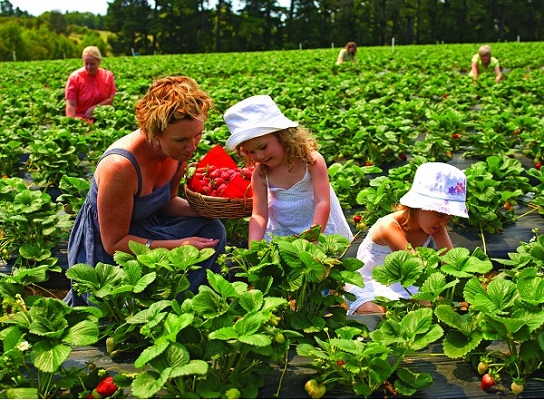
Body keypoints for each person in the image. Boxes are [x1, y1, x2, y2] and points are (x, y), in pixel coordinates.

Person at [64, 76, 227, 306]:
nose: (192, 146)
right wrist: (178, 247)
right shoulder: (121, 167)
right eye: (181, 139)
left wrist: (208, 209)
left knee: (213, 230)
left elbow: (168, 202)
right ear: (154, 133)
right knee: (122, 307)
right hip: (111, 243)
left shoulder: (178, 152)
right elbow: (115, 243)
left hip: (149, 224)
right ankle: (167, 306)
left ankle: (187, 305)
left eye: (198, 134)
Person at [224, 94, 353, 246]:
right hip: (283, 231)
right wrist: (254, 247)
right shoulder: (261, 174)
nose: (259, 156)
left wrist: (313, 238)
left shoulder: (310, 162)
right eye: (251, 152)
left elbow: (322, 202)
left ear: (283, 137)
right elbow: (259, 214)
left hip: (318, 227)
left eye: (263, 147)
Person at [344, 162, 469, 314]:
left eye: (449, 217)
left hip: (406, 282)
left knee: (430, 305)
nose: (444, 223)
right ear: (420, 205)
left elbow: (451, 261)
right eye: (441, 214)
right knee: (376, 312)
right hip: (370, 283)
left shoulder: (435, 225)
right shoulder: (388, 226)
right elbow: (415, 266)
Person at [65, 46, 117, 122]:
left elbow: (110, 99)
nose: (89, 67)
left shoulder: (107, 76)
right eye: (86, 64)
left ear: (99, 61)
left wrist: (96, 107)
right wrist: (72, 122)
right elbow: (71, 105)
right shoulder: (75, 77)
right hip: (81, 118)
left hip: (104, 116)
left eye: (92, 64)